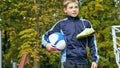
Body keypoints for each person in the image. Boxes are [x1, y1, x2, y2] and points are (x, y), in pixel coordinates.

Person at [42, 0, 99, 68]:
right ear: (65, 10)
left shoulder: (86, 24)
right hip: (67, 62)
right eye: (71, 8)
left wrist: (94, 60)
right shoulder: (61, 24)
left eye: (76, 7)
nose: (74, 10)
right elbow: (45, 36)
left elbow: (92, 43)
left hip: (83, 62)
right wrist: (46, 44)